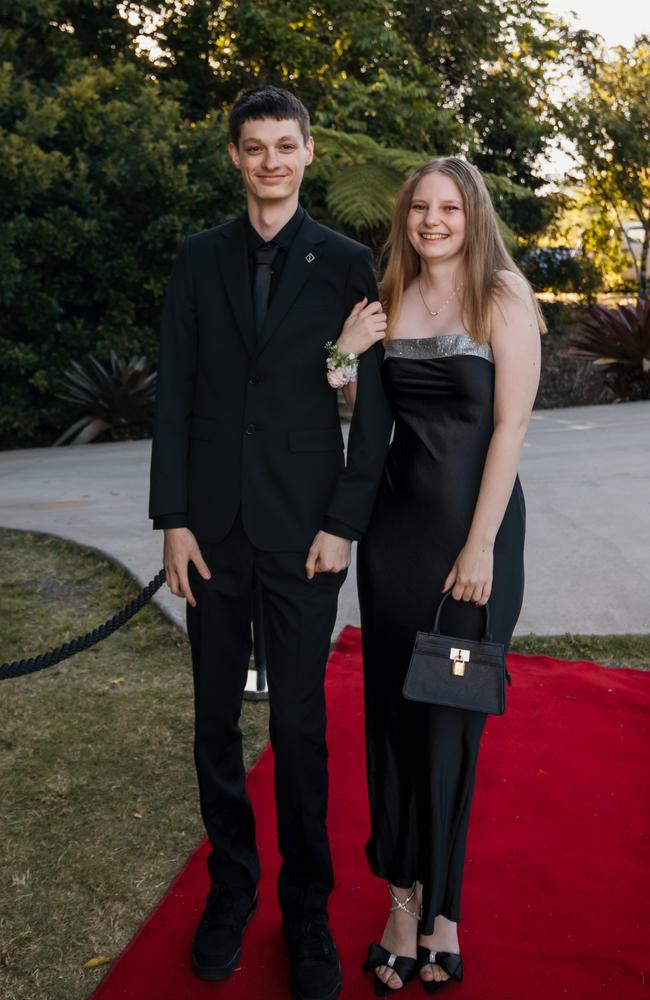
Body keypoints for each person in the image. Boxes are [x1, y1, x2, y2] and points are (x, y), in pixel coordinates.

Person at [148, 86, 392, 1000]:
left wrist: (345, 523)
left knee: (296, 726)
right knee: (217, 722)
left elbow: (370, 409)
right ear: (235, 159)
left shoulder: (348, 262)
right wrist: (171, 517)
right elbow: (174, 395)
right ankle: (230, 889)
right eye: (254, 148)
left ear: (309, 152)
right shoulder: (198, 260)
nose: (270, 161)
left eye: (284, 146)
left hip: (305, 537)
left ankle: (308, 913)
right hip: (211, 535)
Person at [334, 156, 542, 995]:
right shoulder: (389, 297)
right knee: (391, 714)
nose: (431, 220)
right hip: (395, 544)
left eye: (447, 207)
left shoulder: (504, 295)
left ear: (472, 213)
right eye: (419, 207)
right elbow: (363, 417)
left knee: (450, 722)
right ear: (404, 216)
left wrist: (481, 544)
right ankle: (400, 900)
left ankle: (444, 915)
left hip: (476, 545)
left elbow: (512, 427)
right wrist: (341, 357)